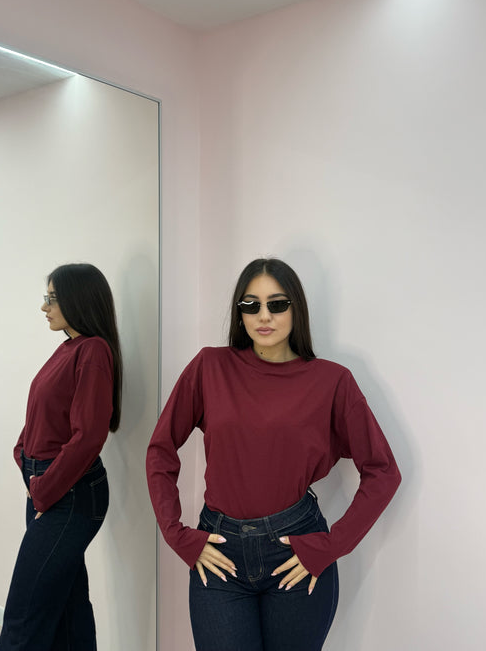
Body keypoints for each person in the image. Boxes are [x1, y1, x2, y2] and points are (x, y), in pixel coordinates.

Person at [146, 257, 401, 651]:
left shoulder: (332, 381)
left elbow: (383, 471)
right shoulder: (210, 366)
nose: (263, 316)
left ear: (296, 309)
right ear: (240, 313)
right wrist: (176, 534)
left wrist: (330, 546)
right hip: (220, 552)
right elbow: (160, 450)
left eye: (277, 304)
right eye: (251, 305)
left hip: (296, 551)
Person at [0, 263, 123, 651]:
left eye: (52, 298)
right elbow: (43, 414)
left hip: (69, 494)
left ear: (77, 299)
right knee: (69, 615)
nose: (44, 307)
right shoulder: (69, 347)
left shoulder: (93, 350)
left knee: (23, 617)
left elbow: (88, 437)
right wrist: (23, 455)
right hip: (48, 488)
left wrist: (42, 490)